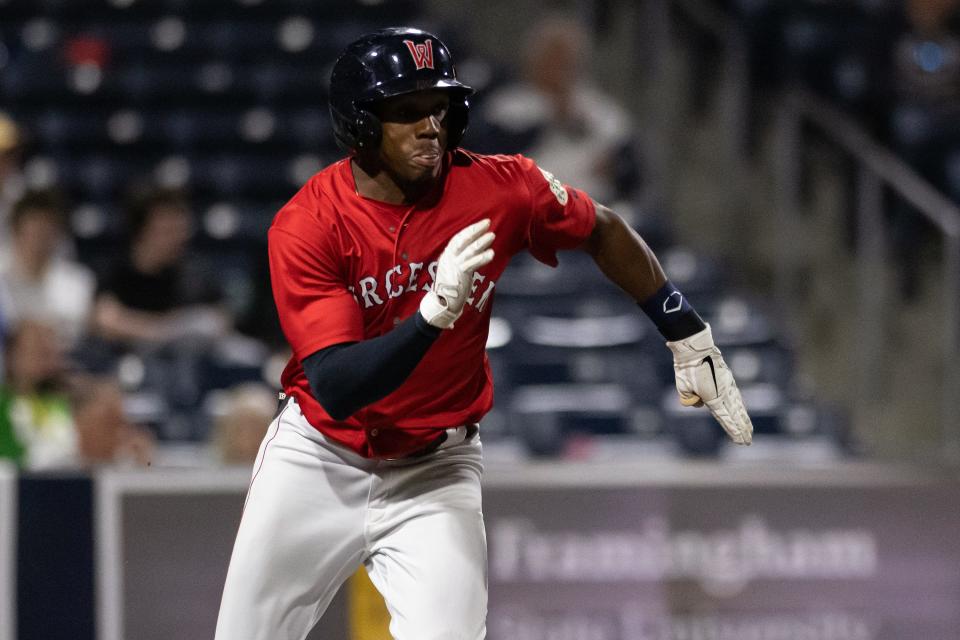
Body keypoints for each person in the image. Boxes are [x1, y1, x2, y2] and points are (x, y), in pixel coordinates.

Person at [215, 28, 753, 640]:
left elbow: (601, 227)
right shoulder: (308, 224)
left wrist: (685, 332)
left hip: (434, 469)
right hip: (319, 459)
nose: (430, 125)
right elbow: (338, 385)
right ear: (361, 125)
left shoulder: (498, 185)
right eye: (405, 111)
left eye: (438, 106)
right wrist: (430, 320)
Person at [92, 186, 230, 346]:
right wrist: (170, 329)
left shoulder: (194, 273)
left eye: (182, 230)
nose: (179, 239)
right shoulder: (113, 269)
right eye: (168, 231)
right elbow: (106, 320)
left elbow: (220, 321)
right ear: (141, 231)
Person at [0, 190, 96, 346]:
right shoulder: (2, 276)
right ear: (16, 230)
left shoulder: (77, 282)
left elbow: (72, 337)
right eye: (33, 228)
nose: (40, 237)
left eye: (47, 228)